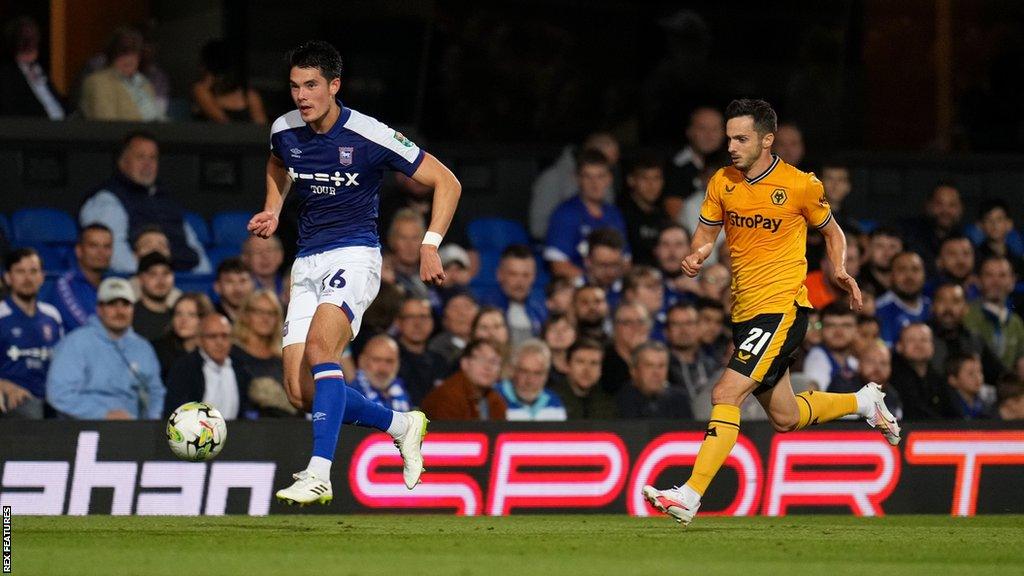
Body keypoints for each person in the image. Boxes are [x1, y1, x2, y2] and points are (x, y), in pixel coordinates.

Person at [643, 99, 898, 527]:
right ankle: (863, 401)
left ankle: (689, 495)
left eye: (741, 138)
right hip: (743, 311)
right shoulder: (722, 182)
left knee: (725, 395)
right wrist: (697, 255)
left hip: (781, 309)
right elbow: (706, 233)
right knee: (785, 417)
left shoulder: (800, 185)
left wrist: (838, 269)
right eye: (728, 138)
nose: (731, 146)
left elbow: (832, 231)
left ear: (766, 139)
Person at [247, 41, 460, 504]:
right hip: (305, 262)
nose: (301, 96)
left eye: (311, 86)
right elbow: (277, 163)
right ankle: (401, 425)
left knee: (323, 350)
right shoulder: (284, 130)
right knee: (301, 392)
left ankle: (319, 472)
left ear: (334, 86)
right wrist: (273, 208)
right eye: (294, 86)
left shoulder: (369, 134)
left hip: (355, 256)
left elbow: (447, 181)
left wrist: (429, 244)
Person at [79, 130, 208, 274]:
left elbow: (193, 246)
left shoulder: (167, 199)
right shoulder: (107, 199)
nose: (148, 164)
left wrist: (201, 280)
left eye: (153, 158)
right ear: (122, 162)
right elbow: (113, 253)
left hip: (183, 283)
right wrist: (152, 279)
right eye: (140, 157)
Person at [46, 278, 165, 419]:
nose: (119, 311)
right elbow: (59, 393)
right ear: (99, 309)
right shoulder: (76, 342)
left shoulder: (143, 348)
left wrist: (152, 422)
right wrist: (103, 414)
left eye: (125, 304)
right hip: (84, 427)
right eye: (112, 304)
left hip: (133, 430)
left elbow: (156, 392)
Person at [544, 150, 629, 280]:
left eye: (600, 176)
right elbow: (559, 266)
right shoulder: (564, 214)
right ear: (577, 178)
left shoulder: (615, 214)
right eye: (587, 176)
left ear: (609, 179)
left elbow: (625, 262)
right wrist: (592, 284)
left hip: (612, 289)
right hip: (579, 292)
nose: (595, 183)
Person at [0, 249, 63, 419]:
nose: (28, 278)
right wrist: (5, 386)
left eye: (33, 271)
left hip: (50, 398)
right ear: (7, 278)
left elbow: (60, 364)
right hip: (12, 398)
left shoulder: (52, 316)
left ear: (42, 277)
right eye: (20, 271)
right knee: (30, 411)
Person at [529, 132, 620, 240]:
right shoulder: (552, 178)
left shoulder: (606, 177)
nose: (609, 168)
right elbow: (538, 228)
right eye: (604, 161)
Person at [164, 314, 254, 420]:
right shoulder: (184, 368)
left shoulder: (242, 369)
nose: (219, 342)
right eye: (212, 336)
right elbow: (176, 411)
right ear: (199, 340)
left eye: (224, 336)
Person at [79, 27, 164, 121]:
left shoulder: (145, 83)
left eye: (134, 53)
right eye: (123, 53)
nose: (129, 59)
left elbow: (157, 118)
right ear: (112, 55)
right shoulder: (98, 82)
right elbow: (106, 124)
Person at [232, 290, 294, 417]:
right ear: (246, 315)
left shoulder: (282, 358)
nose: (265, 318)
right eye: (259, 312)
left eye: (271, 313)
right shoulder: (232, 353)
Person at [927, 283, 1005, 385]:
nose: (948, 307)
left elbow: (999, 374)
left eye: (955, 301)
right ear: (932, 306)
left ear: (966, 308)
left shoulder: (974, 340)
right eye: (942, 301)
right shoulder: (922, 339)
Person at [43, 223, 113, 332]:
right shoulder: (65, 285)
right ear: (79, 251)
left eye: (107, 246)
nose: (101, 252)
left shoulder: (113, 283)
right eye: (93, 246)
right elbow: (84, 327)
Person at [665, 302, 728, 421]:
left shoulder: (712, 366)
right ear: (667, 331)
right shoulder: (660, 367)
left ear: (698, 327)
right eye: (676, 324)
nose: (683, 330)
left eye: (689, 323)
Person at [663, 107, 727, 221]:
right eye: (702, 128)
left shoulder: (733, 163)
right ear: (689, 132)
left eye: (715, 129)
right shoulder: (677, 167)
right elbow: (676, 218)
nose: (709, 135)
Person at [421, 339, 506, 421]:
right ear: (464, 363)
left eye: (494, 362)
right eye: (481, 359)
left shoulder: (496, 401)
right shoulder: (447, 397)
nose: (488, 367)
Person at [964, 256, 1024, 370]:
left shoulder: (1016, 323)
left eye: (1002, 275)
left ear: (1012, 281)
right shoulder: (966, 315)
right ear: (979, 280)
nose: (996, 282)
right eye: (989, 275)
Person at [478, 245, 545, 346]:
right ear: (499, 274)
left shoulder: (541, 310)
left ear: (534, 277)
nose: (520, 282)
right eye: (513, 274)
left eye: (526, 275)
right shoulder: (483, 308)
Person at [0, 16, 66, 119]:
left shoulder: (39, 69)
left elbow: (56, 102)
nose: (31, 40)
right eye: (25, 37)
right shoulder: (7, 76)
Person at [192, 39, 268, 124]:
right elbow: (222, 121)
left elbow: (261, 130)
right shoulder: (202, 90)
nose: (222, 78)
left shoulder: (250, 96)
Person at [889, 322, 954, 420]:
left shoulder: (938, 378)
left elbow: (953, 413)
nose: (918, 345)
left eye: (924, 340)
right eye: (911, 340)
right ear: (899, 346)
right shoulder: (891, 377)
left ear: (932, 347)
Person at [617, 152, 672, 267]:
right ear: (631, 180)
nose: (651, 185)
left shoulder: (663, 215)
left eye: (656, 178)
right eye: (644, 178)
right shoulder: (619, 214)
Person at [900, 183, 965, 277]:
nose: (946, 211)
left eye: (952, 205)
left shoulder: (965, 240)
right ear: (928, 205)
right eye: (939, 204)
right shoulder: (906, 232)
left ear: (960, 209)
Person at [394, 296, 449, 406]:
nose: (417, 323)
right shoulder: (388, 357)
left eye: (423, 317)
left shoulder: (440, 361)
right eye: (410, 317)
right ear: (398, 323)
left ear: (432, 322)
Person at [617, 341, 692, 419]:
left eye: (661, 366)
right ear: (634, 370)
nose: (656, 372)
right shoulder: (620, 400)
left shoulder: (680, 400)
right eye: (649, 366)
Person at [496, 339, 567, 421]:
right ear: (513, 371)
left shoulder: (554, 402)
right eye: (524, 372)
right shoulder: (496, 397)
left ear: (546, 376)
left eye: (537, 373)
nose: (530, 380)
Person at [546, 338, 616, 419]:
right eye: (580, 362)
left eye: (594, 363)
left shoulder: (608, 405)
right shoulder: (550, 400)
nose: (587, 370)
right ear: (567, 365)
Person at [152, 292, 212, 380]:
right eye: (178, 314)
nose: (183, 320)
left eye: (191, 315)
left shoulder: (213, 351)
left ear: (204, 319)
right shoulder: (158, 350)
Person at [801, 302, 859, 392]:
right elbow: (812, 393)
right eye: (831, 325)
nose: (839, 332)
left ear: (856, 329)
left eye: (846, 325)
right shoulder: (817, 358)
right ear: (821, 329)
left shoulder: (853, 363)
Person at [876, 251, 931, 346]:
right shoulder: (879, 310)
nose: (909, 276)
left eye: (915, 269)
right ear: (890, 276)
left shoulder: (931, 307)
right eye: (902, 270)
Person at [600, 302, 652, 395]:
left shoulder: (661, 358)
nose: (636, 328)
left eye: (641, 322)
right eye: (627, 323)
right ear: (615, 328)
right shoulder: (602, 362)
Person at [350, 335, 411, 412]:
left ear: (398, 363)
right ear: (362, 361)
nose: (382, 369)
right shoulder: (350, 394)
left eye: (389, 361)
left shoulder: (403, 390)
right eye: (376, 360)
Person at [428, 292, 478, 371]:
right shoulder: (437, 348)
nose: (461, 313)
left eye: (467, 307)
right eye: (455, 308)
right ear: (445, 320)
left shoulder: (485, 342)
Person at [132, 252, 177, 341]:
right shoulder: (129, 316)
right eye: (153, 274)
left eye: (166, 273)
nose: (161, 280)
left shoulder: (177, 317)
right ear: (140, 279)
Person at [944, 352, 996, 419]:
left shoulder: (987, 404)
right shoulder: (948, 408)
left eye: (980, 371)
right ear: (953, 380)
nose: (978, 377)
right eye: (970, 373)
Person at [925, 235, 978, 299]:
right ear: (939, 261)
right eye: (952, 254)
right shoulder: (926, 293)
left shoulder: (981, 289)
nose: (960, 260)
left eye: (966, 253)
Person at [857, 226, 903, 297]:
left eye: (892, 247)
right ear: (869, 249)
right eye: (879, 246)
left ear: (902, 250)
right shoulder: (857, 283)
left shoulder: (910, 283)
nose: (887, 253)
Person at [241, 235, 286, 302]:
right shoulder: (241, 290)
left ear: (280, 255)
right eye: (257, 251)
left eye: (269, 250)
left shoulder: (291, 286)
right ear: (245, 258)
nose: (265, 256)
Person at [213, 258, 254, 323]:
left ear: (253, 284)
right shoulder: (209, 317)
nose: (238, 289)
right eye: (229, 281)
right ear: (217, 287)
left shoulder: (261, 315)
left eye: (243, 281)